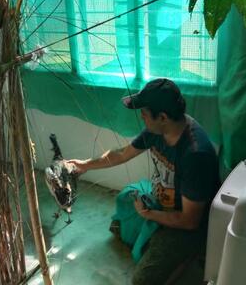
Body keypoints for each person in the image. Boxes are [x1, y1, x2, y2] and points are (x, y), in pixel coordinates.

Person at [67, 78, 220, 285]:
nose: (142, 117)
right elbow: (122, 154)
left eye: (145, 113)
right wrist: (84, 165)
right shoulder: (157, 130)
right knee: (120, 214)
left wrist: (148, 214)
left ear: (163, 117)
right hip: (162, 200)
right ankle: (155, 237)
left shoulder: (195, 154)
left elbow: (190, 220)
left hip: (188, 222)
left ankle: (189, 254)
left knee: (142, 281)